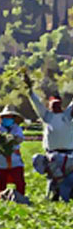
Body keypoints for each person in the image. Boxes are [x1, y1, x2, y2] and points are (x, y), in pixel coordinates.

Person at [23, 70, 73, 200]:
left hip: (69, 154)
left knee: (69, 178)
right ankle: (54, 196)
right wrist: (30, 91)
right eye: (53, 104)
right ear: (50, 106)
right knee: (53, 179)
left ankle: (67, 195)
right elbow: (37, 104)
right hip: (52, 155)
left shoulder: (67, 116)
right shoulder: (47, 116)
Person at [0, 107, 26, 200]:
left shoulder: (16, 128)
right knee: (1, 182)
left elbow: (20, 139)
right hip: (0, 159)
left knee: (20, 182)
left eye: (10, 117)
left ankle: (19, 199)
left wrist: (13, 139)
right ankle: (1, 200)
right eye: (6, 117)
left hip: (15, 159)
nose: (8, 119)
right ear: (2, 118)